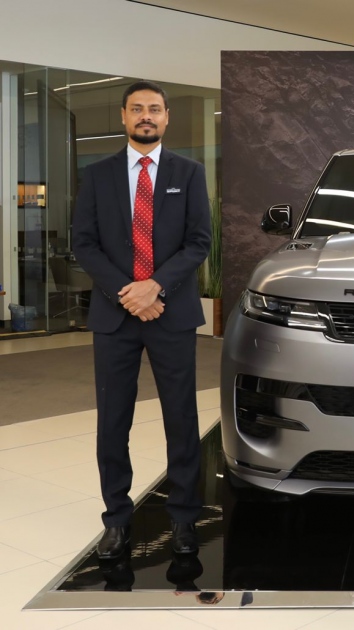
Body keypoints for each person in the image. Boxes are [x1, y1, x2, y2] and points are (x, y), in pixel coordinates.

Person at [72, 80, 211, 560]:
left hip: (171, 313)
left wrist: (155, 286)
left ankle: (184, 518)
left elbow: (198, 241)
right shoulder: (97, 175)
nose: (146, 116)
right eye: (137, 109)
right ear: (124, 116)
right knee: (113, 420)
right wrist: (128, 293)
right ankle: (116, 519)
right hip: (116, 316)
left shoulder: (189, 173)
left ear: (167, 117)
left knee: (181, 417)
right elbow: (84, 243)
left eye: (154, 108)